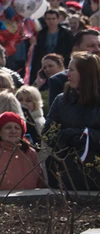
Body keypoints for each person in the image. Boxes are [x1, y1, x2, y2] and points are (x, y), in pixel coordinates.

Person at [44, 52, 100, 190]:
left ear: (85, 73)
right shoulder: (61, 100)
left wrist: (86, 136)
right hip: (67, 172)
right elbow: (47, 133)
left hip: (96, 172)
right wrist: (65, 137)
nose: (67, 74)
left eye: (72, 70)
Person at [0, 112, 45, 192]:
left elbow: (41, 184)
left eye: (17, 128)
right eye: (8, 128)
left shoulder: (30, 153)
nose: (13, 131)